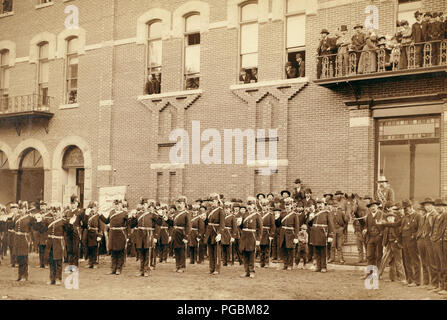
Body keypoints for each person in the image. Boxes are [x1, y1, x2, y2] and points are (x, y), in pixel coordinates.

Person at [38, 207, 75, 285]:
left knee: (58, 262)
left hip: (58, 243)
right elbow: (42, 229)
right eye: (54, 212)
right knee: (51, 261)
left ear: (60, 213)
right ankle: (52, 278)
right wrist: (39, 221)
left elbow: (69, 232)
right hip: (50, 243)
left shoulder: (63, 222)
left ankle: (58, 278)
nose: (55, 213)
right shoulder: (49, 221)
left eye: (57, 212)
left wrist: (71, 224)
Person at [129, 200, 163, 277]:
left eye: (145, 204)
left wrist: (160, 216)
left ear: (148, 205)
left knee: (148, 253)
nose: (144, 206)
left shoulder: (152, 214)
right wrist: (133, 218)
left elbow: (159, 223)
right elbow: (132, 225)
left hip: (148, 234)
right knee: (141, 252)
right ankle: (141, 270)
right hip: (140, 234)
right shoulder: (138, 214)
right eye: (143, 205)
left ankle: (146, 269)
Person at [99, 199, 129, 275]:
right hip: (112, 233)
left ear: (121, 205)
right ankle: (113, 268)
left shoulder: (125, 213)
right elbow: (106, 221)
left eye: (118, 204)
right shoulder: (112, 212)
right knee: (113, 251)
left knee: (120, 251)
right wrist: (100, 215)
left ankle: (119, 269)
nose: (116, 206)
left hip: (121, 234)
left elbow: (128, 225)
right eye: (115, 205)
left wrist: (127, 236)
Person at [377, 203, 405, 283]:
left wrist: (397, 241)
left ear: (394, 218)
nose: (390, 219)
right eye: (389, 218)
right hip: (389, 245)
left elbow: (400, 235)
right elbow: (381, 229)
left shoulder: (397, 226)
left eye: (391, 217)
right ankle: (387, 277)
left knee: (398, 262)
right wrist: (384, 245)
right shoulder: (386, 227)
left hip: (396, 245)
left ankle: (402, 278)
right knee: (385, 261)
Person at [13, 202, 39, 281]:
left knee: (24, 257)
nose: (21, 210)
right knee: (19, 257)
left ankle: (25, 275)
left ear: (26, 209)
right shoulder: (16, 218)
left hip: (25, 239)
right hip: (18, 239)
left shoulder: (29, 218)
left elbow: (34, 228)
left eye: (23, 209)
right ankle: (20, 275)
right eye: (20, 209)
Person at [237, 197, 262, 278]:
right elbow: (241, 227)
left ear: (254, 205)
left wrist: (258, 239)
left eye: (251, 204)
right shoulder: (244, 214)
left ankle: (252, 271)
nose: (249, 206)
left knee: (251, 254)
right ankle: (246, 271)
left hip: (252, 236)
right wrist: (239, 224)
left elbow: (260, 228)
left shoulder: (257, 215)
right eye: (248, 204)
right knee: (244, 254)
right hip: (244, 236)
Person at [165, 196, 191, 273]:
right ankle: (177, 265)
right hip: (175, 233)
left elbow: (188, 226)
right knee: (176, 249)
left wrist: (186, 236)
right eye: (178, 203)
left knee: (182, 250)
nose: (179, 205)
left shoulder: (186, 214)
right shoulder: (176, 213)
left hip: (182, 233)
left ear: (184, 204)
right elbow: (173, 224)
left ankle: (182, 266)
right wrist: (167, 220)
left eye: (181, 203)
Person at [308, 199, 334, 273]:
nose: (319, 205)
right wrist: (310, 218)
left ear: (324, 205)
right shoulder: (314, 213)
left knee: (323, 252)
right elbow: (309, 224)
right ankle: (318, 267)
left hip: (323, 233)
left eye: (321, 204)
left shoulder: (327, 213)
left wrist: (330, 235)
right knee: (316, 251)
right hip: (315, 234)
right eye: (318, 204)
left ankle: (323, 267)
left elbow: (331, 225)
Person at [362, 200, 384, 279]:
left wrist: (381, 234)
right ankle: (368, 273)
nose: (372, 208)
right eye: (371, 207)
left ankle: (377, 274)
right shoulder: (368, 216)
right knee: (369, 256)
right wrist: (365, 229)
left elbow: (384, 226)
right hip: (370, 238)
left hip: (379, 238)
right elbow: (366, 226)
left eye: (374, 206)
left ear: (377, 206)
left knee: (378, 256)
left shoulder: (381, 214)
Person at [204, 193, 225, 275]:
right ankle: (211, 268)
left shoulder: (220, 211)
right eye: (210, 201)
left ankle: (217, 269)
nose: (211, 203)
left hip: (216, 232)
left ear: (217, 201)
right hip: (210, 232)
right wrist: (204, 219)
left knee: (217, 252)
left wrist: (220, 233)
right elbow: (207, 222)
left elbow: (222, 223)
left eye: (212, 201)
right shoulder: (209, 211)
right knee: (211, 251)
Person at [429, 198, 447, 292]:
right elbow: (433, 230)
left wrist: (440, 239)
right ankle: (440, 285)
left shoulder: (446, 216)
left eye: (441, 206)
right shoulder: (437, 217)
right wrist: (433, 238)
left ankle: (445, 288)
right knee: (438, 264)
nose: (439, 208)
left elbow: (444, 231)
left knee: (444, 264)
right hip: (435, 242)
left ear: (444, 207)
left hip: (443, 243)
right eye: (437, 206)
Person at [276, 197, 299, 271]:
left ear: (291, 205)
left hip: (290, 233)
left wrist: (296, 237)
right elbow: (278, 224)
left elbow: (297, 226)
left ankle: (290, 264)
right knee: (283, 249)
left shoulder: (294, 215)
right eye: (286, 205)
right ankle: (285, 264)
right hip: (283, 233)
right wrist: (276, 219)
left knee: (290, 249)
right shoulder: (282, 213)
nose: (287, 206)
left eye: (288, 205)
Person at [329, 194, 349, 264]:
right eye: (333, 207)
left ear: (337, 207)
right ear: (331, 207)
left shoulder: (341, 213)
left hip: (340, 230)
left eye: (336, 206)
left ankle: (341, 259)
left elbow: (346, 221)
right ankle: (332, 258)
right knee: (332, 246)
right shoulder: (330, 214)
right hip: (333, 231)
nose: (334, 208)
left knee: (339, 246)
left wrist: (343, 228)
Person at [259, 199, 275, 268]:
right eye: (263, 206)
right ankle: (261, 262)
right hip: (260, 233)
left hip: (267, 233)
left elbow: (273, 225)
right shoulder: (259, 214)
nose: (264, 207)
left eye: (265, 206)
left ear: (267, 206)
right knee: (261, 248)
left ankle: (266, 262)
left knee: (266, 248)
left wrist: (271, 234)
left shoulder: (270, 215)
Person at [221, 201, 237, 267]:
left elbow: (235, 227)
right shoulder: (222, 216)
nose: (226, 210)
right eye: (225, 209)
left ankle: (230, 261)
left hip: (229, 233)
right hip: (223, 233)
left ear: (230, 209)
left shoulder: (232, 217)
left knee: (230, 249)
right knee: (223, 248)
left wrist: (233, 236)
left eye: (227, 209)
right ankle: (224, 262)